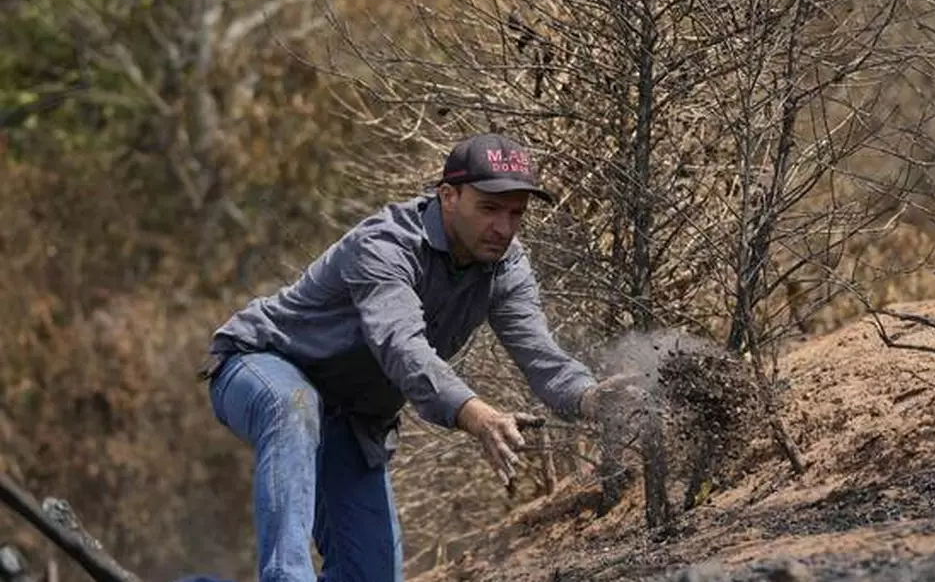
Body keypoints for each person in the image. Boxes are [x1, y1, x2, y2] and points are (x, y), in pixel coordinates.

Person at [196, 133, 636, 582]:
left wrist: (590, 398)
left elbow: (541, 355)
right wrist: (475, 415)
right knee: (293, 405)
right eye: (489, 208)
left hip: (351, 417)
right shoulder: (385, 245)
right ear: (448, 196)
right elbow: (401, 346)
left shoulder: (506, 267)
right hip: (261, 365)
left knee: (371, 575)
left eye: (516, 213)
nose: (504, 227)